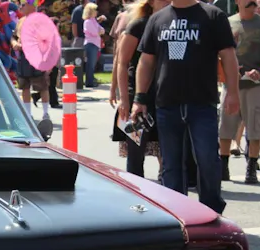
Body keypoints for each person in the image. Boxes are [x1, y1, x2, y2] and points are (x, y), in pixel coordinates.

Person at [131, 0, 240, 215]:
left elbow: (228, 56)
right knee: (171, 164)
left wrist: (233, 92)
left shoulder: (213, 15)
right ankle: (177, 212)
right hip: (167, 103)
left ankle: (211, 210)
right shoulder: (158, 19)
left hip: (202, 102)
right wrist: (139, 98)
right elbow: (146, 61)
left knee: (207, 159)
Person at [113, 0, 170, 179]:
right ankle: (135, 187)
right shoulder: (138, 25)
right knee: (135, 151)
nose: (168, 2)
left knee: (167, 150)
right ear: (151, 2)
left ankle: (165, 185)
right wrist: (124, 98)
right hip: (137, 96)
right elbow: (122, 63)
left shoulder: (173, 24)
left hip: (165, 95)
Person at [218, 0, 260, 183]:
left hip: (256, 85)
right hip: (231, 84)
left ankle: (251, 168)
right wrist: (226, 70)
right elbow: (218, 52)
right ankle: (223, 166)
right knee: (225, 124)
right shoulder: (227, 23)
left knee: (255, 127)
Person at [11, 0, 54, 129]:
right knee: (25, 86)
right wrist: (15, 44)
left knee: (43, 86)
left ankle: (45, 114)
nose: (21, 7)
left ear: (31, 6)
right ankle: (28, 114)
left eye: (23, 5)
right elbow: (13, 37)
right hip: (23, 57)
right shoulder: (21, 21)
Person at [83, 2, 105, 87]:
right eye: (95, 10)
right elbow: (95, 32)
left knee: (93, 64)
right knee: (90, 64)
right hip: (90, 44)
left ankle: (91, 80)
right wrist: (99, 31)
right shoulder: (87, 22)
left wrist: (99, 31)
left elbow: (102, 30)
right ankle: (89, 82)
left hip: (95, 44)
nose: (96, 11)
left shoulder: (94, 21)